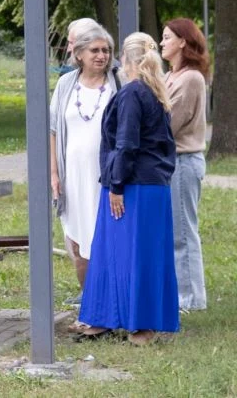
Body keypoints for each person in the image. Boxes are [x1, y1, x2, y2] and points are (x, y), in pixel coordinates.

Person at [77, 32, 178, 346]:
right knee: (142, 254)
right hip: (152, 186)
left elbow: (127, 143)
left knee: (123, 254)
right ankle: (116, 319)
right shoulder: (154, 90)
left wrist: (116, 185)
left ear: (126, 59)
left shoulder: (133, 92)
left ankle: (137, 324)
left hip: (133, 185)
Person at [48, 21, 117, 312]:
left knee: (106, 240)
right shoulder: (66, 84)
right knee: (76, 242)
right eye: (95, 50)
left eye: (106, 50)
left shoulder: (117, 82)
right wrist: (54, 173)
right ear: (79, 54)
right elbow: (53, 130)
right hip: (73, 176)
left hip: (106, 177)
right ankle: (90, 303)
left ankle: (110, 304)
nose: (101, 56)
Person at [161, 17, 209, 312]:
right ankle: (179, 292)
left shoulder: (191, 78)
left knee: (182, 232)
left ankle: (191, 298)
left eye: (167, 37)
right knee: (173, 232)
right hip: (170, 162)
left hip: (183, 160)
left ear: (182, 41)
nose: (162, 42)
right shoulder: (170, 76)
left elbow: (169, 123)